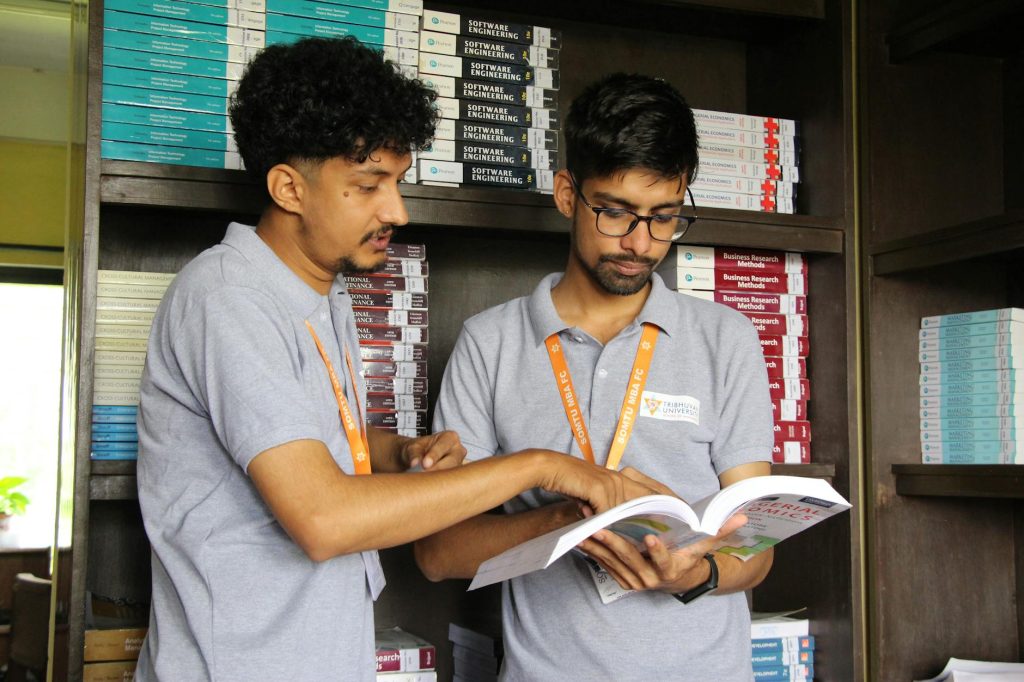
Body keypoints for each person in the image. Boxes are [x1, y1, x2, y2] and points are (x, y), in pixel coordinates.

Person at [134, 39, 655, 682]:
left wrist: (399, 453)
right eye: (368, 186)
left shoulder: (323, 294)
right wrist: (543, 467)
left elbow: (316, 440)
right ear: (288, 188)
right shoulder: (227, 298)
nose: (398, 211)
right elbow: (323, 519)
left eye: (398, 181)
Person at [415, 73, 776, 681]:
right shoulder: (490, 343)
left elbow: (756, 549)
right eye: (615, 212)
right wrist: (567, 519)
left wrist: (698, 573)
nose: (639, 242)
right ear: (566, 193)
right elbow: (436, 553)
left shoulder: (727, 338)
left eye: (664, 217)